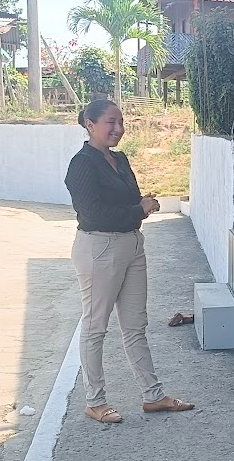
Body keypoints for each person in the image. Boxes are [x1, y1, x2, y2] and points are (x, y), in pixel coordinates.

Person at [65, 99, 195, 423]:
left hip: (132, 245)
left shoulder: (120, 159)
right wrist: (138, 209)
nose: (118, 129)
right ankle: (95, 402)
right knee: (95, 327)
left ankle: (153, 396)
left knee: (136, 325)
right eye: (110, 122)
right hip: (100, 248)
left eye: (121, 122)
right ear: (90, 124)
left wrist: (141, 204)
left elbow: (128, 200)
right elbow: (94, 214)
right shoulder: (81, 164)